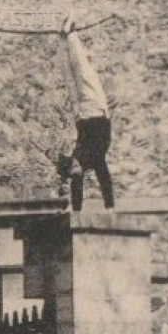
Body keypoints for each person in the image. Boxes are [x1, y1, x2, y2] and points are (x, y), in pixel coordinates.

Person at [60, 17, 114, 210]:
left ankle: (64, 40)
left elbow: (77, 174)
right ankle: (70, 36)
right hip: (96, 114)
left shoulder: (81, 158)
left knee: (72, 77)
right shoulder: (94, 158)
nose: (75, 165)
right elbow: (103, 175)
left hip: (85, 116)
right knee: (82, 74)